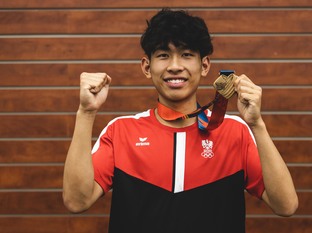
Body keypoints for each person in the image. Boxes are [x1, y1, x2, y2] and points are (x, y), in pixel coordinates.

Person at [63, 8, 298, 233]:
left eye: (186, 55)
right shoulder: (121, 131)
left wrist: (257, 124)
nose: (175, 66)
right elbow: (76, 201)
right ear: (147, 67)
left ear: (204, 65)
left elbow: (285, 205)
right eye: (163, 55)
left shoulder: (236, 131)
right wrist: (86, 112)